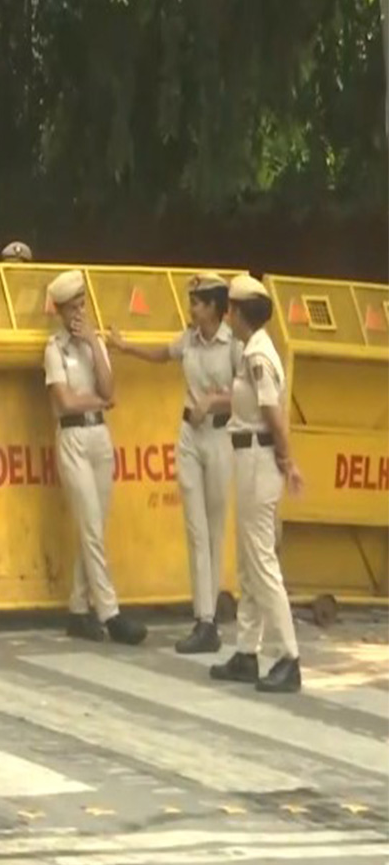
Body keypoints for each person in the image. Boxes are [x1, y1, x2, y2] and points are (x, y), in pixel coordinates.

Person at [107, 274, 239, 654]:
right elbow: (163, 355)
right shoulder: (190, 339)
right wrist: (126, 347)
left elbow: (249, 394)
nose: (191, 308)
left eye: (197, 302)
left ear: (214, 306)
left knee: (214, 529)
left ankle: (209, 621)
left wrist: (213, 402)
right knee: (195, 529)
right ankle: (204, 619)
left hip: (220, 436)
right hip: (189, 436)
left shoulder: (234, 345)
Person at [211, 274, 303, 693]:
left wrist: (287, 460)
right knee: (249, 562)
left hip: (259, 458)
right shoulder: (252, 350)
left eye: (230, 308)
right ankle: (247, 652)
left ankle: (288, 656)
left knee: (262, 562)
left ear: (239, 312)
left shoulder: (258, 356)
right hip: (249, 455)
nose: (226, 315)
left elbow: (272, 413)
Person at [44, 269, 147, 645]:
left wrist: (92, 343)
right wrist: (99, 401)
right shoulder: (54, 349)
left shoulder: (94, 342)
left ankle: (78, 608)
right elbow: (65, 401)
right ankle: (110, 612)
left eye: (82, 305)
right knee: (89, 524)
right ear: (59, 311)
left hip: (100, 436)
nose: (79, 313)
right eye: (72, 308)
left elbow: (109, 388)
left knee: (96, 527)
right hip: (72, 435)